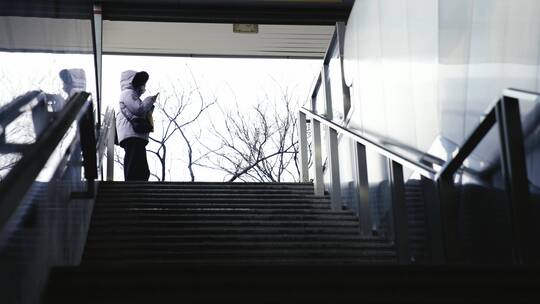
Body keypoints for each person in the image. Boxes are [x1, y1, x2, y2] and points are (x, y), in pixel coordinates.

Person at [116, 70, 158, 181]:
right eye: (141, 83)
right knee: (135, 160)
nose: (143, 86)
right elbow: (138, 109)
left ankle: (137, 183)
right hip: (132, 134)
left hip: (132, 134)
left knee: (138, 161)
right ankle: (133, 185)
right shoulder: (128, 93)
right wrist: (149, 101)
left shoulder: (131, 95)